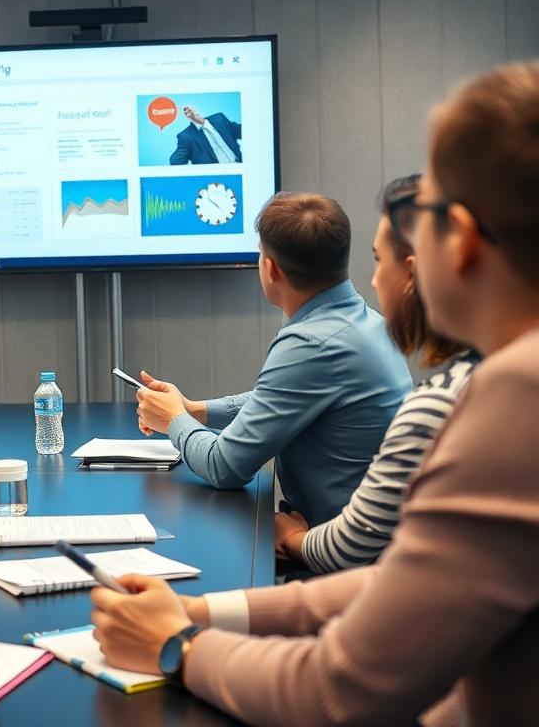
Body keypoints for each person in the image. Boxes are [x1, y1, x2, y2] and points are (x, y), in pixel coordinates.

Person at [91, 61, 539, 725]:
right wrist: (206, 611)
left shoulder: (513, 399)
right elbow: (401, 589)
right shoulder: (490, 377)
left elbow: (336, 691)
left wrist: (177, 646)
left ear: (461, 243)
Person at [136, 193, 412, 526]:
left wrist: (174, 421)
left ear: (270, 269)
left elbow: (224, 468)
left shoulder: (311, 345)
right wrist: (197, 410)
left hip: (340, 557)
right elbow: (281, 398)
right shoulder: (367, 323)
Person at [275, 175, 478, 573]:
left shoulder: (441, 402)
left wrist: (290, 537)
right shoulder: (485, 379)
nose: (373, 279)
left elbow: (352, 549)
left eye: (379, 260)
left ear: (414, 273)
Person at [169, 105, 242, 164]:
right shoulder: (186, 136)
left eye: (192, 109)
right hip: (215, 177)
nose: (192, 112)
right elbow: (175, 161)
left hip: (240, 167)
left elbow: (241, 131)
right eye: (188, 111)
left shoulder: (219, 119)